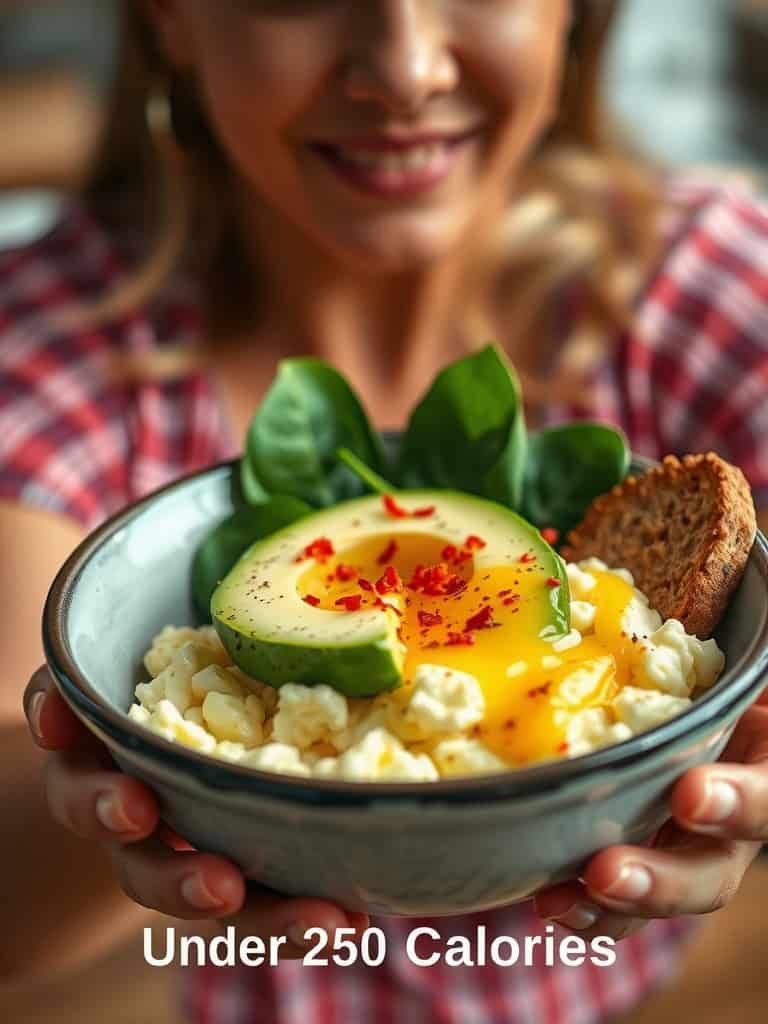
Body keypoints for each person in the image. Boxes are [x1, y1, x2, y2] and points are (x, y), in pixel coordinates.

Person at [2, 1, 768, 1020]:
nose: (405, 68)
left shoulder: (716, 282)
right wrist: (112, 806)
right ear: (170, 17)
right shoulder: (44, 350)